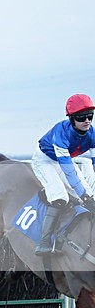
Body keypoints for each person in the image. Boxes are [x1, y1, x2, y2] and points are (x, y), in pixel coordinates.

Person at [32, 93, 95, 254]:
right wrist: (85, 198)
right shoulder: (61, 133)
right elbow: (69, 172)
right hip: (45, 160)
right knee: (60, 197)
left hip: (63, 160)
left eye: (90, 115)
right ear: (71, 118)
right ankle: (44, 242)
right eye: (81, 117)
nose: (87, 120)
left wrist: (88, 196)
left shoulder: (92, 134)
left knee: (88, 193)